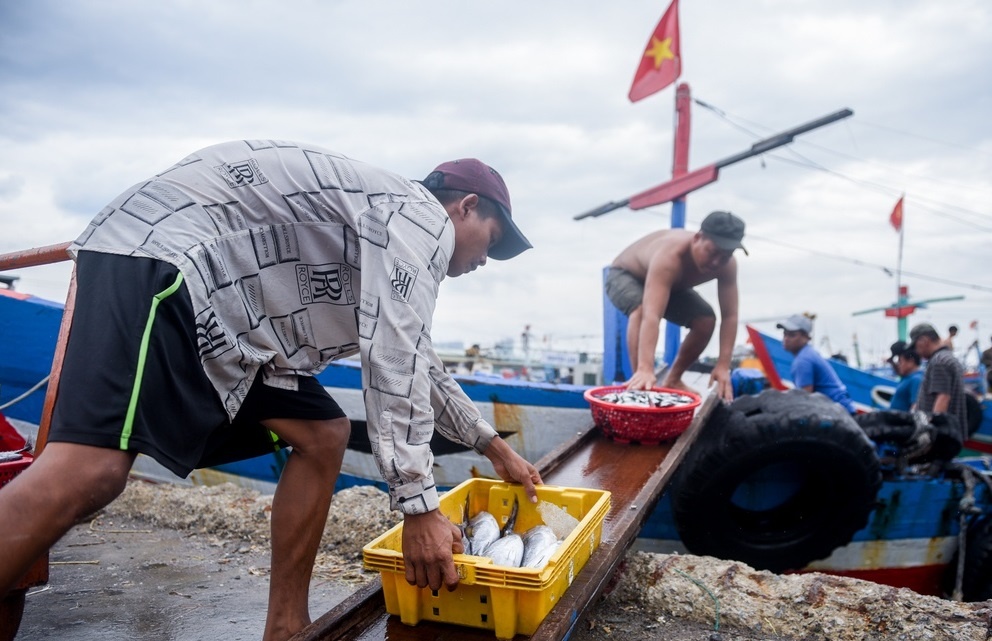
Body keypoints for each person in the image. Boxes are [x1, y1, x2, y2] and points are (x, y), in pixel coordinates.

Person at [0, 141, 543, 641]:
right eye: (491, 242)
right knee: (93, 471)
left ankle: (286, 626)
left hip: (236, 320)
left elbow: (415, 357)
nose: (483, 261)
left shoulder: (392, 228)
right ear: (465, 206)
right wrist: (420, 508)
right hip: (165, 257)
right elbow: (393, 358)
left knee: (323, 433)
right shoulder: (420, 218)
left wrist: (493, 447)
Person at [605, 210, 744, 401]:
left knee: (705, 320)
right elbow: (652, 316)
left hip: (670, 286)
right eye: (712, 252)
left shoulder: (727, 266)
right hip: (626, 275)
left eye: (725, 256)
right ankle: (641, 382)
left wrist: (723, 365)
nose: (716, 262)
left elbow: (730, 316)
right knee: (641, 308)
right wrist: (646, 368)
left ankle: (673, 379)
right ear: (697, 238)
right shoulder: (670, 256)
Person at [777, 314, 856, 413]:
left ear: (806, 337)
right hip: (843, 409)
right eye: (785, 334)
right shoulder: (809, 353)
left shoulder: (803, 360)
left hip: (840, 414)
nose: (786, 338)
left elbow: (804, 400)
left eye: (792, 335)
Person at [910, 322, 968, 442]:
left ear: (924, 340)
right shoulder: (948, 358)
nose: (916, 351)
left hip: (941, 438)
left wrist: (932, 435)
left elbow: (943, 398)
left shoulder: (939, 362)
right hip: (951, 433)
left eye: (915, 346)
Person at [887, 340, 923, 411]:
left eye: (900, 361)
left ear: (911, 361)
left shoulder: (916, 379)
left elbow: (915, 406)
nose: (898, 365)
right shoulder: (907, 378)